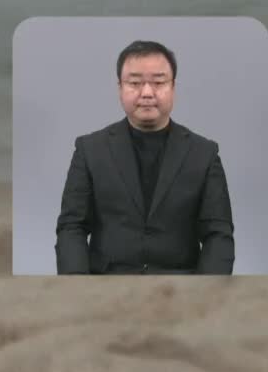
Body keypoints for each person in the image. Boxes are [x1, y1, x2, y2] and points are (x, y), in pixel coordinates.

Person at [54, 39, 235, 274]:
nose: (147, 92)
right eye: (135, 83)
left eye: (159, 82)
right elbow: (72, 227)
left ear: (173, 88)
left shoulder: (204, 153)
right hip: (108, 286)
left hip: (180, 289)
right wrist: (78, 288)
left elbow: (218, 234)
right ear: (120, 87)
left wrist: (207, 294)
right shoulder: (90, 150)